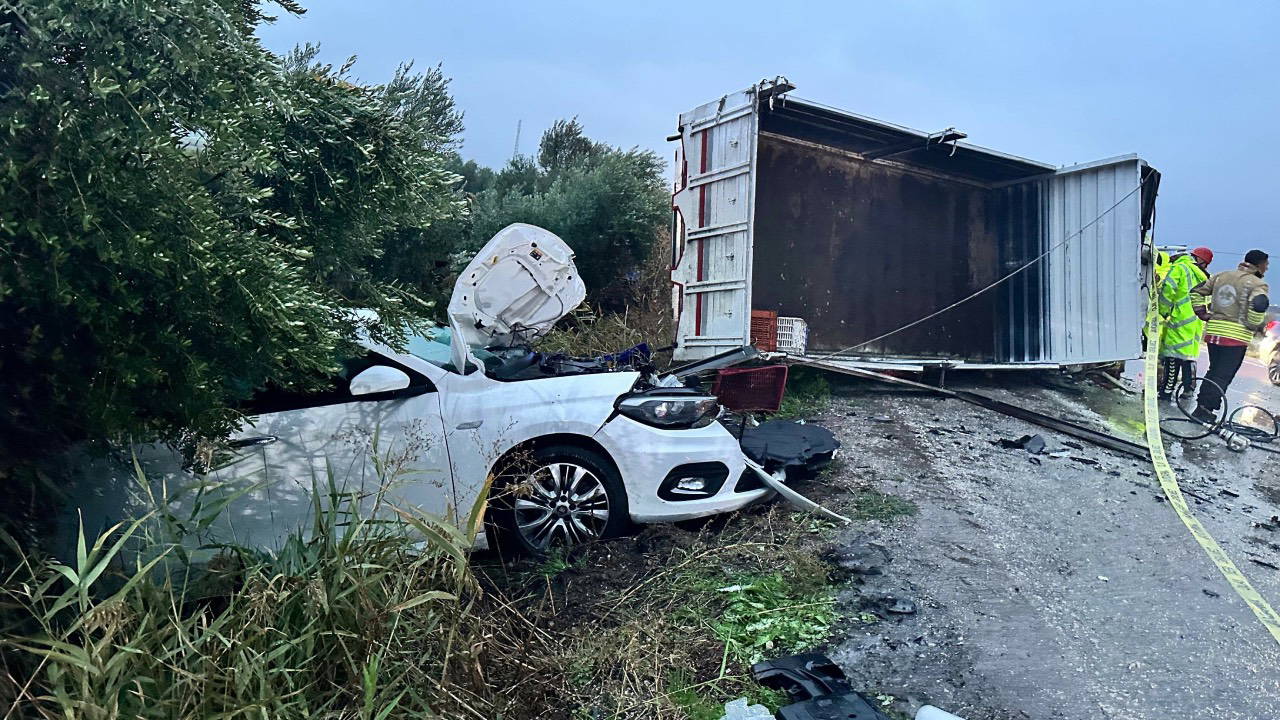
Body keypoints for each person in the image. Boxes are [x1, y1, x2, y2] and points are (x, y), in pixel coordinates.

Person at [1191, 249, 1271, 424]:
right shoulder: (1257, 284)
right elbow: (1258, 305)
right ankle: (1205, 410)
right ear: (1259, 265)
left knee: (1214, 371)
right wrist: (1253, 325)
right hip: (1234, 337)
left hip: (1213, 333)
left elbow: (1196, 292)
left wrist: (1202, 313)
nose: (1267, 268)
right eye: (1266, 264)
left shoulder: (1221, 276)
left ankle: (1201, 407)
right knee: (1222, 375)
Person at [1158, 247, 1213, 401]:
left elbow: (1168, 290)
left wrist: (1163, 311)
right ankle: (1188, 389)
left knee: (1172, 357)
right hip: (1196, 322)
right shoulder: (1207, 277)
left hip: (1179, 319)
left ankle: (1166, 392)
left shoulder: (1180, 268)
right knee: (1188, 357)